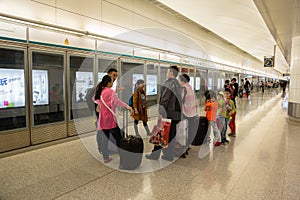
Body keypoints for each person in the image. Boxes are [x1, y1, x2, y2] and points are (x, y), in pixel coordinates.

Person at [94, 75, 134, 163]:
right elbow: (118, 102)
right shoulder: (110, 92)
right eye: (111, 81)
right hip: (110, 120)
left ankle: (106, 158)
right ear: (108, 83)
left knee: (105, 139)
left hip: (102, 120)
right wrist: (129, 107)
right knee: (119, 139)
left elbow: (95, 99)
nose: (112, 83)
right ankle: (123, 157)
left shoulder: (100, 92)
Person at [146, 65, 182, 161]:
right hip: (176, 114)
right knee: (171, 135)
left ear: (171, 73)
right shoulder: (178, 84)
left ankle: (155, 155)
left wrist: (161, 112)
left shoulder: (168, 83)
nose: (166, 74)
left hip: (168, 114)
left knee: (160, 133)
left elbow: (165, 99)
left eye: (167, 72)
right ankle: (169, 155)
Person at [178, 74, 198, 157]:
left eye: (179, 80)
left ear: (182, 80)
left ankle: (183, 149)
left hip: (185, 112)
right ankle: (187, 145)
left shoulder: (184, 88)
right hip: (192, 112)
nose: (178, 81)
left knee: (183, 131)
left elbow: (181, 100)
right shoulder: (190, 87)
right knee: (189, 129)